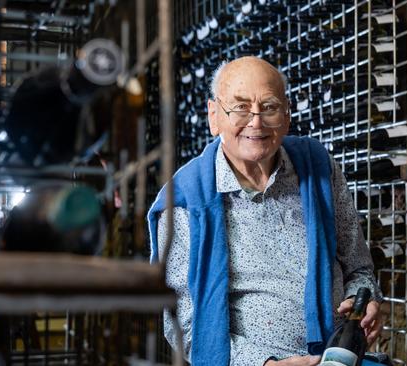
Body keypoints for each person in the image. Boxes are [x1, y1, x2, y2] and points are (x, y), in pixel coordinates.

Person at [148, 56, 383, 366]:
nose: (255, 122)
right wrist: (265, 364)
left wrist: (364, 299)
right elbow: (184, 325)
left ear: (286, 115)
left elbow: (358, 268)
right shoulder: (184, 202)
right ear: (214, 116)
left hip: (339, 357)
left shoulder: (318, 169)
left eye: (269, 107)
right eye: (240, 107)